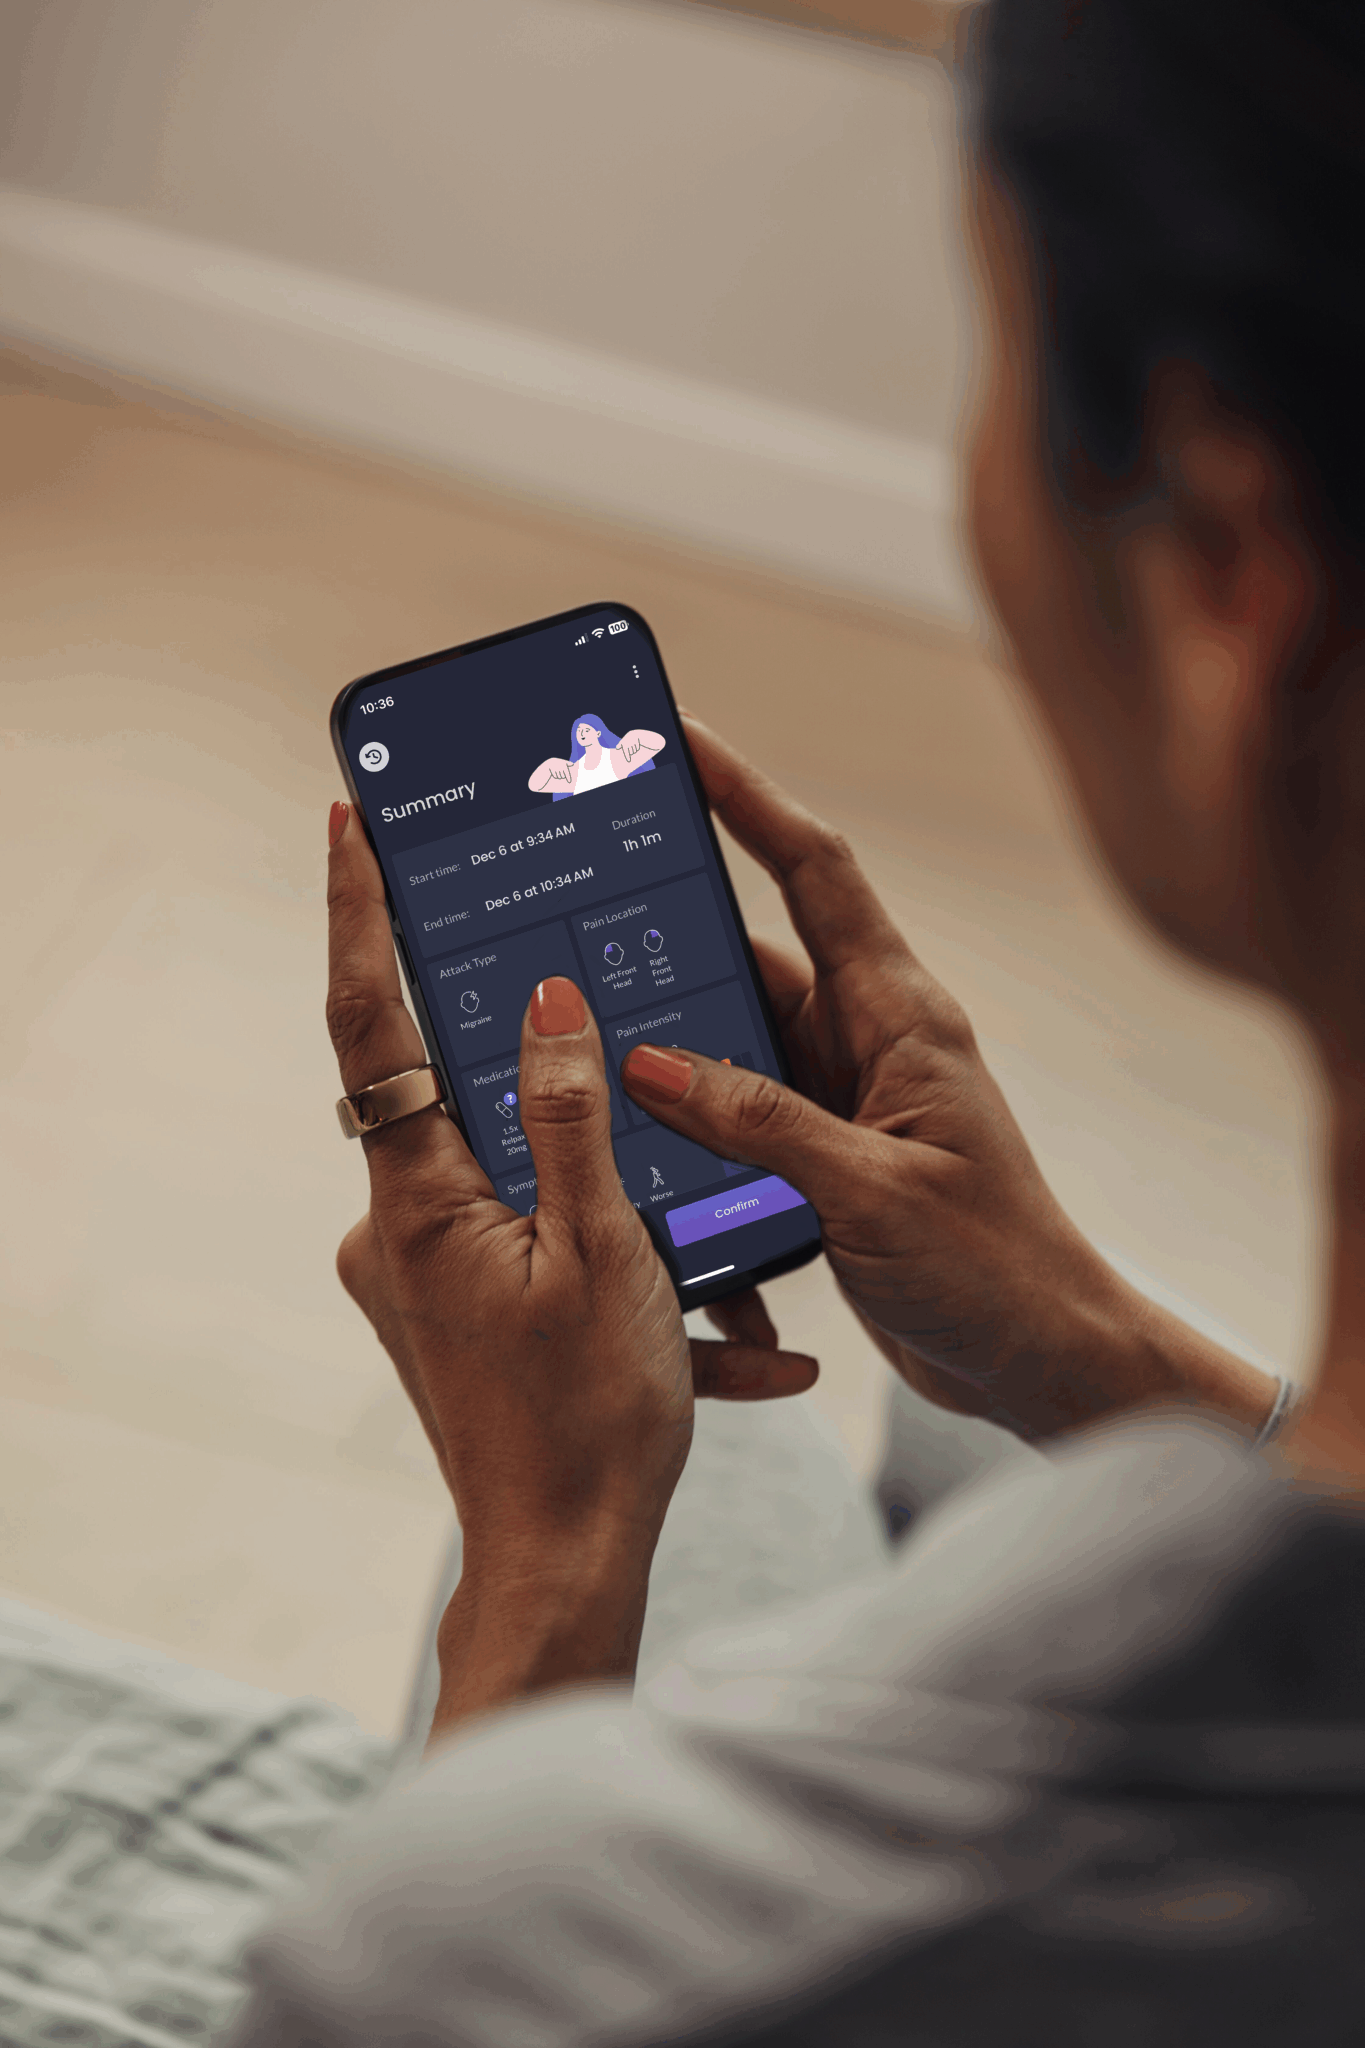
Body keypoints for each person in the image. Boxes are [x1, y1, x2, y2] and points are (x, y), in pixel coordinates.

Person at [226, 1, 1365, 2040]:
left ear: (1228, 572)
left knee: (734, 1461)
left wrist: (551, 1556)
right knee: (943, 1406)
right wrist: (1087, 1349)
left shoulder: (482, 1960)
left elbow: (443, 1960)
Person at [527, 713, 666, 797]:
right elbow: (535, 786)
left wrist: (637, 736)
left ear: (598, 733)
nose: (582, 733)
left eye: (587, 729)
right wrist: (549, 766)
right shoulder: (573, 772)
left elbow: (659, 743)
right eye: (578, 730)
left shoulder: (617, 758)